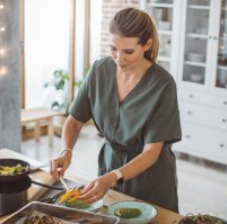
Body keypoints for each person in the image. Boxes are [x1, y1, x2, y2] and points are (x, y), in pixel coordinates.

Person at [50, 7, 181, 213]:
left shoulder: (163, 84)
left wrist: (114, 177)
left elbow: (151, 153)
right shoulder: (99, 71)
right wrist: (66, 151)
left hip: (151, 179)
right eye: (113, 49)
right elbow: (75, 121)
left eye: (128, 51)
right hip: (109, 168)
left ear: (147, 44)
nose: (119, 59)